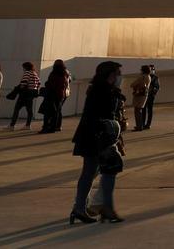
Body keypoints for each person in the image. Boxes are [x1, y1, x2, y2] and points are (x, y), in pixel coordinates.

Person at [69, 61, 127, 224]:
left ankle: (81, 208)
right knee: (109, 170)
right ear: (109, 75)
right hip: (99, 137)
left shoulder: (98, 89)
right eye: (117, 74)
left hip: (94, 136)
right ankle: (103, 208)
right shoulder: (104, 91)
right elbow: (104, 115)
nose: (119, 77)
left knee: (90, 172)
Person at [40, 60, 72, 133]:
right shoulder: (66, 72)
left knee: (48, 111)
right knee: (57, 111)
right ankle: (55, 127)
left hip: (52, 94)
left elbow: (49, 83)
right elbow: (68, 82)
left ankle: (46, 127)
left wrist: (47, 84)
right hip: (61, 94)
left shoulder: (54, 73)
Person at [10, 62, 41, 130]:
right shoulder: (35, 73)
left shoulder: (27, 73)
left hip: (25, 94)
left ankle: (12, 125)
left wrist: (19, 89)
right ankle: (28, 125)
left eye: (23, 67)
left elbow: (23, 83)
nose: (23, 69)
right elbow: (39, 83)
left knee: (17, 109)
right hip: (31, 94)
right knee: (29, 110)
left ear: (26, 67)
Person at [129, 65, 150, 131]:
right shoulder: (149, 77)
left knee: (137, 111)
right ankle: (140, 125)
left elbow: (132, 84)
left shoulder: (142, 77)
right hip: (144, 95)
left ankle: (139, 126)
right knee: (139, 110)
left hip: (139, 95)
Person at [143, 65, 160, 130]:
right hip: (144, 95)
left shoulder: (155, 77)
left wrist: (153, 93)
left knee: (150, 110)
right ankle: (142, 123)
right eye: (151, 69)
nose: (152, 70)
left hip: (151, 96)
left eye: (153, 69)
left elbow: (157, 87)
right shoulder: (146, 76)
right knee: (143, 109)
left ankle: (148, 124)